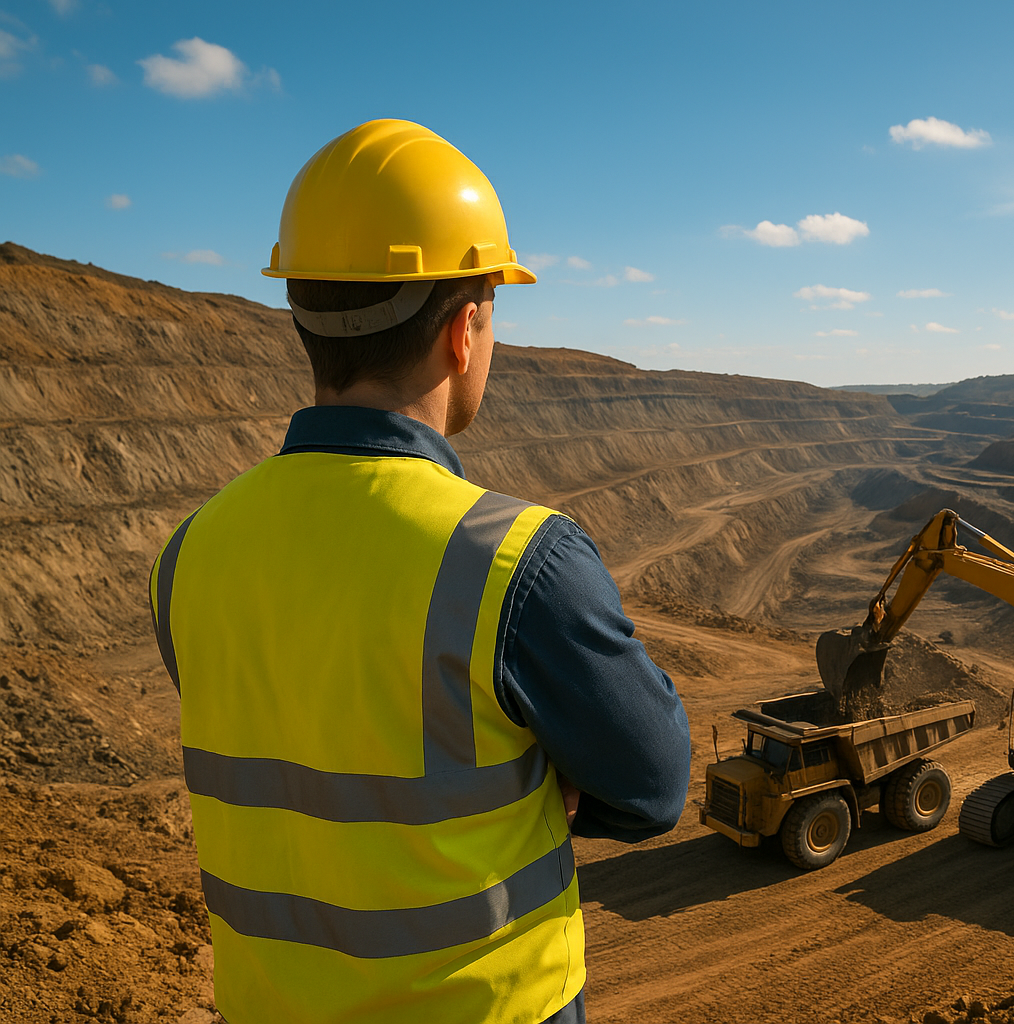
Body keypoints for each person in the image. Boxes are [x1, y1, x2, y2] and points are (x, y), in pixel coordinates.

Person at [148, 119, 691, 1024]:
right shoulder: (518, 561)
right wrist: (540, 784)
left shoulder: (190, 551)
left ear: (302, 318)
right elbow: (653, 786)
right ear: (464, 329)